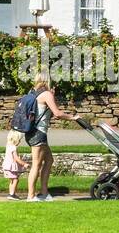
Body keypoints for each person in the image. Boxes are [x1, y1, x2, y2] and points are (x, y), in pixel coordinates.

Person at [26, 74, 80, 202]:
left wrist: (52, 95)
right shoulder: (46, 94)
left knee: (49, 160)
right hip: (38, 133)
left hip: (32, 132)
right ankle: (31, 196)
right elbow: (57, 113)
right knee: (36, 165)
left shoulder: (33, 92)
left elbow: (47, 113)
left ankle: (44, 193)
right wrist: (73, 117)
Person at [1, 130, 30, 200]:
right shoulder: (14, 148)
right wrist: (24, 164)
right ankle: (12, 194)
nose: (20, 142)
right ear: (16, 140)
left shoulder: (8, 146)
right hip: (11, 167)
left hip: (7, 166)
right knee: (16, 180)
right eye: (19, 140)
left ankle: (11, 193)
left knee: (12, 180)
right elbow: (16, 158)